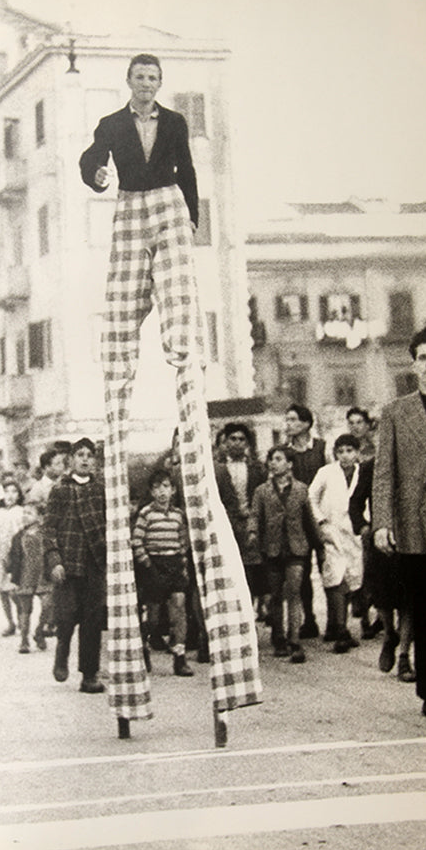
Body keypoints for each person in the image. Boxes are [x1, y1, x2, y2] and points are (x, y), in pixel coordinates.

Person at [80, 53, 261, 726]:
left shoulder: (178, 123)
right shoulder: (111, 123)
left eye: (155, 79)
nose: (148, 86)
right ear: (130, 83)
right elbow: (90, 160)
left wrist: (189, 219)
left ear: (160, 85)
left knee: (181, 321)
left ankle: (183, 353)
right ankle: (124, 362)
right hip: (130, 207)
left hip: (166, 206)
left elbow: (187, 170)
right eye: (141, 78)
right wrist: (99, 175)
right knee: (121, 308)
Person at [373, 327, 426, 718]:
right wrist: (382, 522)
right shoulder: (395, 412)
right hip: (415, 527)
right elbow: (383, 473)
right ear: (413, 365)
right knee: (425, 613)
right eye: (422, 358)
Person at [44, 437, 106, 693]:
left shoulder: (101, 490)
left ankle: (89, 675)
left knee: (92, 621)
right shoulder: (60, 489)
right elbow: (49, 528)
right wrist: (54, 560)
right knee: (66, 617)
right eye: (80, 455)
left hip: (94, 563)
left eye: (89, 455)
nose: (85, 460)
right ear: (71, 460)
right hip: (68, 563)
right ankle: (62, 654)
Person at [248, 446, 322, 664]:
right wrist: (252, 532)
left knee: (294, 591)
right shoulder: (262, 491)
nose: (273, 463)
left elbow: (309, 519)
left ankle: (294, 640)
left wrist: (319, 545)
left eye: (279, 459)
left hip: (296, 548)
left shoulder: (301, 489)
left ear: (289, 464)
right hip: (272, 549)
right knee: (276, 594)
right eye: (271, 459)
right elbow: (255, 515)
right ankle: (278, 636)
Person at [349, 455, 415, 683]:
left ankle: (404, 656)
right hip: (381, 542)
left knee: (409, 601)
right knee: (383, 599)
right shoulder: (371, 466)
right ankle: (389, 634)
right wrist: (364, 527)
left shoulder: (414, 461)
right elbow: (355, 503)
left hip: (410, 540)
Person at [131, 469, 193, 676]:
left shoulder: (178, 515)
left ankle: (180, 657)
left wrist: (182, 562)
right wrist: (148, 564)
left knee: (179, 607)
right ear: (151, 492)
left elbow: (183, 541)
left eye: (166, 486)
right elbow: (137, 541)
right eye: (157, 488)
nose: (162, 492)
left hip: (174, 564)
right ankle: (145, 647)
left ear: (173, 490)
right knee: (154, 615)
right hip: (154, 565)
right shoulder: (146, 513)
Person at [309, 435, 364, 653]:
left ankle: (338, 624)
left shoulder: (363, 473)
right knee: (335, 579)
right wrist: (321, 521)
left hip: (354, 534)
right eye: (341, 451)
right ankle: (341, 630)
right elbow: (311, 497)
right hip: (331, 532)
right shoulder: (326, 473)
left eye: (350, 451)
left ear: (357, 452)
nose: (345, 456)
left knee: (351, 578)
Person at [214, 423, 268, 620]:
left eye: (241, 439)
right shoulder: (217, 468)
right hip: (228, 525)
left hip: (252, 524)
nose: (237, 443)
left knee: (255, 568)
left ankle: (257, 608)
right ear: (226, 442)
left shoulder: (257, 468)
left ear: (247, 443)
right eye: (233, 439)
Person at [284, 403, 328, 639]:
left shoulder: (322, 448)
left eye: (293, 419)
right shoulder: (284, 452)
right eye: (287, 419)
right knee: (301, 570)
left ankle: (336, 622)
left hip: (320, 516)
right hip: (296, 519)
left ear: (306, 423)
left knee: (328, 565)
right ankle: (309, 619)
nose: (288, 424)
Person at [7, 502, 53, 653]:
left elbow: (52, 553)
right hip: (25, 575)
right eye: (24, 513)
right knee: (25, 609)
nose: (25, 516)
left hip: (43, 575)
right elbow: (13, 558)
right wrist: (12, 577)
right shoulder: (18, 537)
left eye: (29, 513)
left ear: (40, 517)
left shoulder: (46, 535)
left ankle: (39, 631)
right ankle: (24, 640)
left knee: (47, 604)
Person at [0, 479, 25, 636]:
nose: (10, 495)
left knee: (15, 590)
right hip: (2, 553)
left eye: (14, 491)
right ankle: (10, 623)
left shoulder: (22, 511)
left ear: (19, 495)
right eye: (6, 491)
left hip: (18, 552)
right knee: (2, 590)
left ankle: (22, 620)